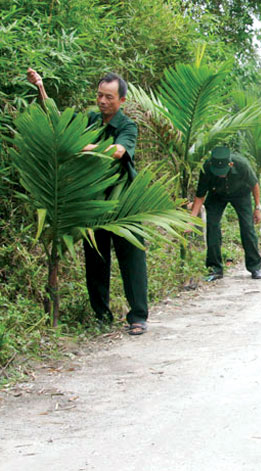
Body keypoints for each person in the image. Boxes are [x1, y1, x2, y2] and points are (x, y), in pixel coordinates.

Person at [26, 68, 149, 335]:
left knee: (132, 261)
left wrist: (87, 147)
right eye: (99, 95)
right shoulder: (91, 120)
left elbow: (119, 151)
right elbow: (60, 125)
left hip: (124, 203)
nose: (103, 101)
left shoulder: (128, 126)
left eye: (109, 97)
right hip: (94, 200)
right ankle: (101, 316)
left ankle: (138, 316)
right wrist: (40, 87)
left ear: (122, 101)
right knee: (96, 260)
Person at [189, 147, 261, 281]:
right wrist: (191, 219)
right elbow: (200, 196)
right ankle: (215, 269)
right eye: (217, 172)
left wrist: (258, 207)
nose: (221, 175)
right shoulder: (206, 168)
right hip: (217, 195)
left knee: (247, 227)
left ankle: (255, 267)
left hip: (241, 194)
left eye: (223, 172)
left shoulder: (241, 164)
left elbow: (254, 185)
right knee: (212, 226)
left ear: (230, 164)